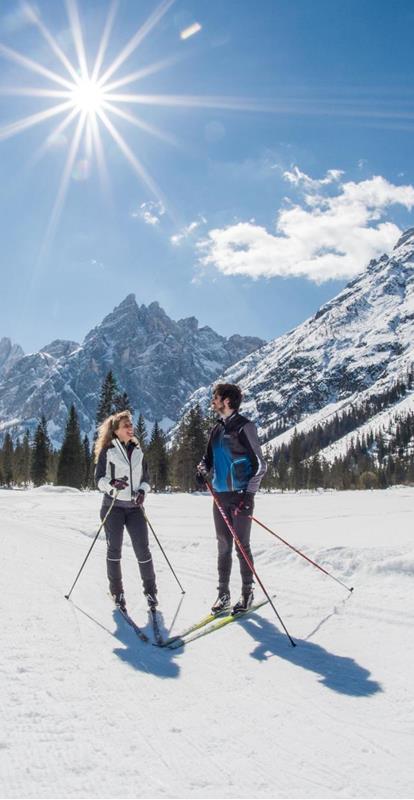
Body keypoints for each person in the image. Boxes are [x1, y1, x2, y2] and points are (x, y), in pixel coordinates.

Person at [196, 383, 267, 615]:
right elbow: (207, 459)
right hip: (219, 496)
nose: (212, 401)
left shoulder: (245, 427)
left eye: (215, 397)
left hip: (240, 497)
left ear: (227, 401)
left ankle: (247, 593)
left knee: (241, 546)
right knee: (223, 546)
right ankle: (223, 594)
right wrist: (202, 470)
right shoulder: (216, 429)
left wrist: (248, 496)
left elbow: (260, 465)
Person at [94, 410, 157, 612]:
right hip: (113, 507)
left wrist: (142, 491)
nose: (130, 428)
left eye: (131, 425)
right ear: (116, 431)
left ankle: (151, 591)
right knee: (115, 550)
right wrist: (113, 484)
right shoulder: (108, 451)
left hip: (134, 508)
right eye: (126, 426)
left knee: (143, 550)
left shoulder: (138, 451)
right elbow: (99, 480)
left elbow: (146, 478)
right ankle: (117, 592)